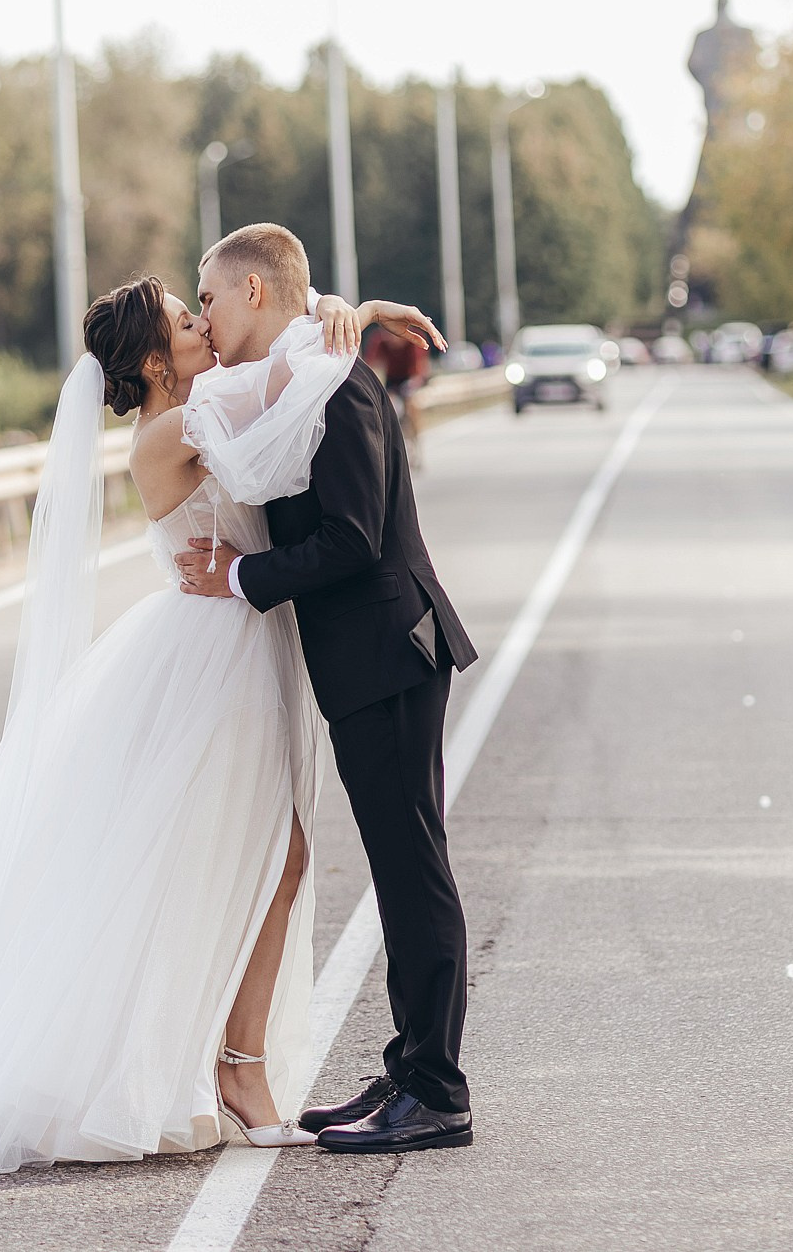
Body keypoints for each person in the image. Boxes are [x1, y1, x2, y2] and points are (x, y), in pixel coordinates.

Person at [0, 274, 433, 1181]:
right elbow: (295, 380)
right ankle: (234, 1070)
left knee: (258, 858)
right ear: (152, 360)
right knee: (267, 857)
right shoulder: (174, 428)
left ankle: (220, 1060)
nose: (204, 324)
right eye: (187, 319)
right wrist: (354, 315)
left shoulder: (201, 404)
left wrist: (337, 313)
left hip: (243, 647)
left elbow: (292, 390)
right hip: (207, 659)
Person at [178, 223, 480, 1155]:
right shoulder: (307, 366)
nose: (204, 312)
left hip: (389, 652)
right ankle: (408, 1063)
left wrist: (238, 575)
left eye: (211, 294)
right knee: (399, 869)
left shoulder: (338, 385)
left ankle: (436, 1090)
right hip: (366, 662)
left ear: (255, 295)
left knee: (412, 869)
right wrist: (340, 302)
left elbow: (351, 538)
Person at [365, 326, 430, 466]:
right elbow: (371, 365)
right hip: (392, 378)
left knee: (412, 405)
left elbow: (419, 368)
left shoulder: (413, 339)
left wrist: (412, 386)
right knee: (389, 406)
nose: (392, 341)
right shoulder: (380, 340)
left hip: (412, 377)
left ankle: (416, 440)